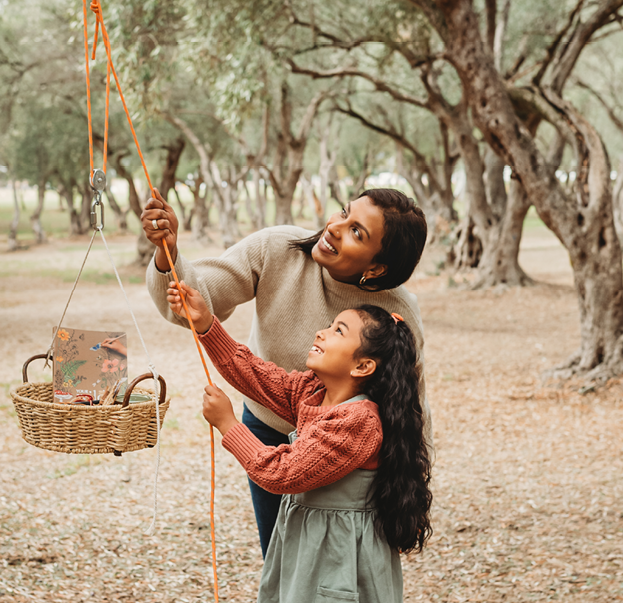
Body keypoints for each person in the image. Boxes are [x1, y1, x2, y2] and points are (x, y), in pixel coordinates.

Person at [166, 282, 432, 603]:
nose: (322, 332)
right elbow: (254, 374)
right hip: (311, 550)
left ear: (363, 365)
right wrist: (205, 325)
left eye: (338, 331)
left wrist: (229, 426)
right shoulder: (314, 393)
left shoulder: (359, 421)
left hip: (341, 558)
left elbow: (281, 472)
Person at [141, 188, 431, 561]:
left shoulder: (395, 313)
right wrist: (170, 256)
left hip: (346, 452)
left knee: (338, 562)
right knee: (281, 556)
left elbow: (409, 402)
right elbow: (202, 304)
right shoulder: (277, 248)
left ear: (376, 268)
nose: (335, 227)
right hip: (268, 424)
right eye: (343, 212)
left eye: (357, 232)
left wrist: (409, 491)